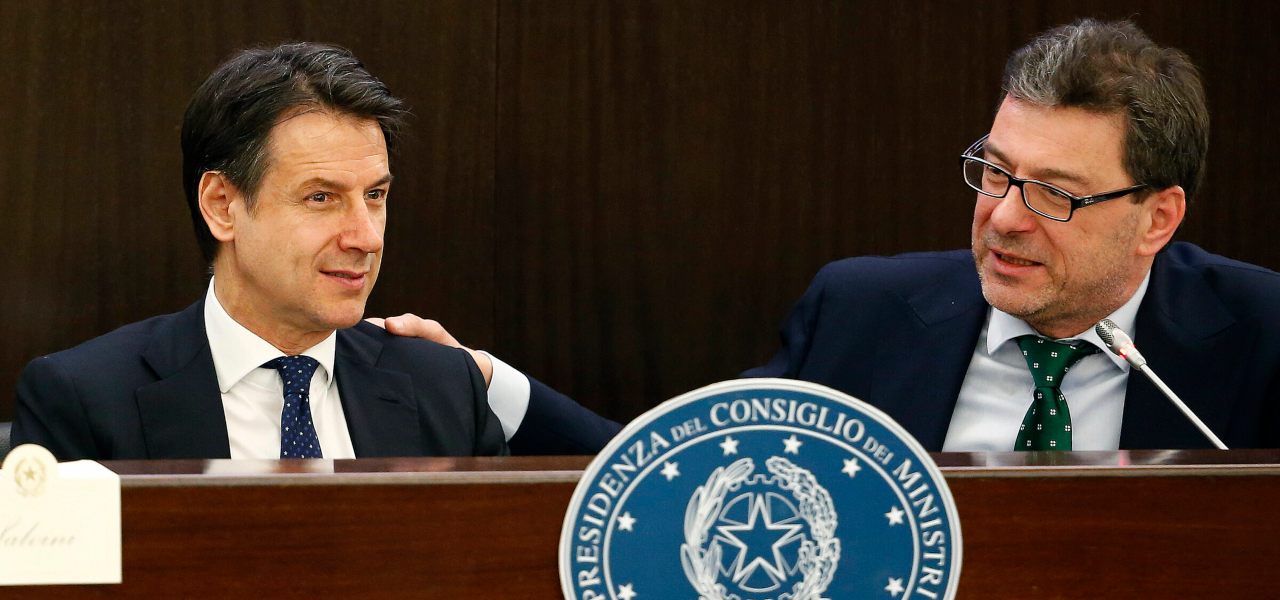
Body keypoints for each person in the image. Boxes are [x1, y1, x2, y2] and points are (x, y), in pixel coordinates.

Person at [388, 19, 1280, 453]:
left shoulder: (1261, 335)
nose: (1005, 216)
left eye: (1055, 194)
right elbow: (685, 467)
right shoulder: (864, 313)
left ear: (1157, 218)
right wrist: (486, 383)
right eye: (996, 171)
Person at [11, 43, 507, 460]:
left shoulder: (443, 386)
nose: (367, 237)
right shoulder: (85, 398)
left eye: (375, 195)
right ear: (222, 206)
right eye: (321, 197)